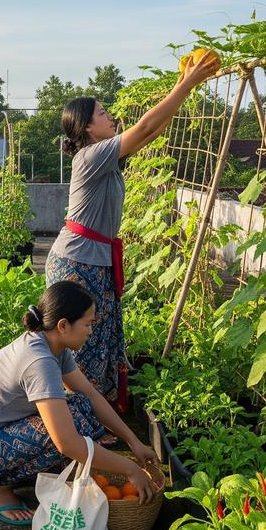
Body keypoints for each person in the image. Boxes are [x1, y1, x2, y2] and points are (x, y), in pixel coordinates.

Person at [46, 54, 219, 409]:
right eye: (103, 113)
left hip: (92, 259)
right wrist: (188, 82)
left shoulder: (104, 158)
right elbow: (142, 127)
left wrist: (184, 86)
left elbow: (151, 131)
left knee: (99, 337)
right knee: (85, 344)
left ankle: (93, 416)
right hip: (78, 262)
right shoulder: (90, 156)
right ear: (87, 127)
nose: (110, 117)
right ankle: (77, 420)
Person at [0, 281, 163, 525]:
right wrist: (130, 469)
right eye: (88, 324)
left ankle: (16, 477)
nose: (91, 331)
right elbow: (66, 442)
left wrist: (133, 442)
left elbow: (90, 395)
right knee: (67, 433)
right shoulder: (39, 361)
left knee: (80, 407)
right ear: (63, 325)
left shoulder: (54, 345)